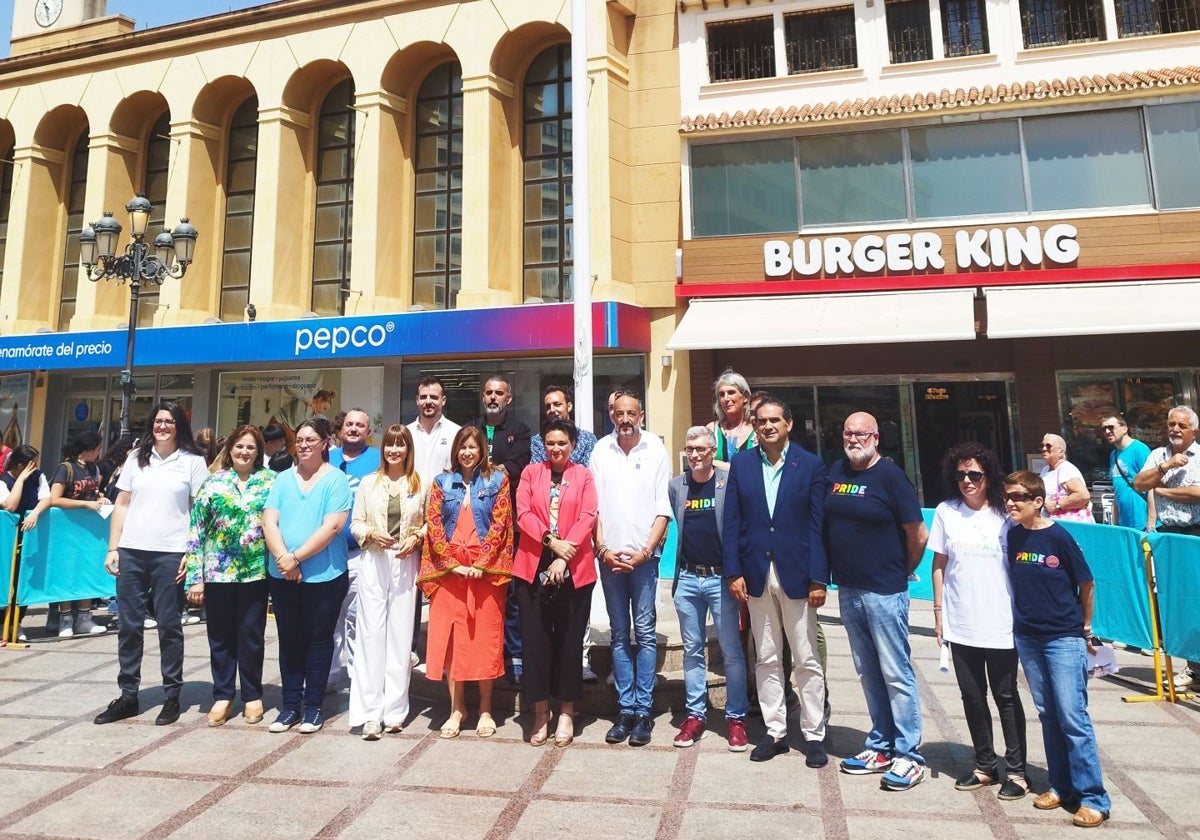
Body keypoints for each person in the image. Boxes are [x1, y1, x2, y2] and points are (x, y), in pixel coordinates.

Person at [825, 411, 929, 790]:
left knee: (895, 672)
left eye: (861, 434)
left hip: (885, 591)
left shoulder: (890, 476)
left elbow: (918, 533)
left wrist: (902, 570)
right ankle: (881, 744)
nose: (854, 439)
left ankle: (909, 754)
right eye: (848, 433)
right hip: (849, 589)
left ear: (876, 437)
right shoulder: (836, 471)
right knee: (868, 671)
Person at [1003, 470, 1111, 828]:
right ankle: (1061, 786)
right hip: (1028, 637)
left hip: (1063, 638)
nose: (1010, 502)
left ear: (1037, 502)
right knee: (1048, 714)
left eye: (1018, 497)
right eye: (1008, 496)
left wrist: (1084, 627)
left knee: (1072, 716)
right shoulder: (1013, 535)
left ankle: (1094, 797)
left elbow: (1087, 581)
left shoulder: (1060, 537)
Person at [723, 401, 827, 764]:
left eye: (774, 420)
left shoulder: (810, 465)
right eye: (761, 421)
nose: (767, 426)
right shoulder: (743, 464)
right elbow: (733, 522)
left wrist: (818, 578)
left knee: (805, 657)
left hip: (797, 574)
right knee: (766, 656)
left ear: (789, 423)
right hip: (754, 573)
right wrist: (733, 571)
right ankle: (775, 731)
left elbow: (818, 525)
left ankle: (814, 735)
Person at [94, 402, 209, 726]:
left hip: (171, 552)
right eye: (158, 421)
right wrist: (112, 548)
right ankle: (128, 695)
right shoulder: (136, 458)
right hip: (132, 550)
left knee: (169, 626)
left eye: (169, 421)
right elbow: (122, 503)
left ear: (178, 426)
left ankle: (172, 696)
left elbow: (198, 511)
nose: (162, 426)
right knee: (129, 626)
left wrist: (192, 552)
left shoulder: (193, 461)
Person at [930, 442, 1027, 801]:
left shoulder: (1005, 513)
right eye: (960, 475)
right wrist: (939, 614)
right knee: (972, 696)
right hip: (961, 619)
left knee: (1006, 696)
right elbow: (939, 564)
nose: (967, 481)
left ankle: (1016, 770)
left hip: (1001, 619)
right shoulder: (946, 511)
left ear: (989, 476)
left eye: (974, 475)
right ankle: (984, 765)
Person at [420, 425, 514, 739]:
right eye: (463, 447)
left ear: (482, 450)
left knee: (484, 640)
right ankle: (456, 707)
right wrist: (453, 564)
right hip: (450, 574)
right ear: (455, 450)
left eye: (473, 447)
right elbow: (433, 525)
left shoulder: (498, 480)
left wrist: (481, 564)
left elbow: (501, 524)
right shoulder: (441, 483)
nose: (467, 452)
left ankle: (486, 707)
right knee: (453, 643)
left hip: (484, 574)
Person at [591, 390, 671, 747]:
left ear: (641, 414)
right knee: (620, 633)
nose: (624, 419)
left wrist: (646, 551)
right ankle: (624, 709)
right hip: (610, 558)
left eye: (631, 413)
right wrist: (603, 549)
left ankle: (644, 711)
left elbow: (662, 508)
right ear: (612, 415)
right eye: (618, 413)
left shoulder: (655, 448)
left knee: (646, 632)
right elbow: (592, 509)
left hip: (644, 559)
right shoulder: (599, 450)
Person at [262, 418, 353, 734]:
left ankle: (313, 707)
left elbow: (333, 526)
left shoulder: (336, 480)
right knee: (288, 640)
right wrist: (283, 560)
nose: (303, 445)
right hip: (283, 574)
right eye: (299, 439)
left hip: (324, 575)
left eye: (310, 439)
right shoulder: (282, 479)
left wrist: (296, 557)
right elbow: (269, 521)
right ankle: (289, 706)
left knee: (318, 640)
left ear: (325, 442)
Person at [183, 425, 275, 727]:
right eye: (239, 447)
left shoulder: (271, 482)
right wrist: (195, 577)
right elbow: (196, 531)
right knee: (220, 637)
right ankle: (222, 694)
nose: (244, 452)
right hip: (217, 573)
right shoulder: (213, 483)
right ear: (230, 450)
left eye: (250, 447)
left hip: (255, 573)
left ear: (258, 451)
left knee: (251, 637)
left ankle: (252, 695)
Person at [514, 418, 598, 748]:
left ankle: (566, 711)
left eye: (562, 442)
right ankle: (539, 712)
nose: (557, 448)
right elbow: (523, 514)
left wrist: (565, 556)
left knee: (568, 642)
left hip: (574, 569)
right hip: (533, 565)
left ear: (573, 445)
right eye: (551, 442)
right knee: (535, 643)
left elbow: (588, 516)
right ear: (543, 445)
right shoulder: (531, 473)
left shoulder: (584, 475)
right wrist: (552, 543)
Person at [669, 426, 750, 753]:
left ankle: (736, 718)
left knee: (731, 650)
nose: (695, 454)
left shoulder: (727, 483)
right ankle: (695, 715)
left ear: (712, 450)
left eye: (702, 448)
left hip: (720, 579)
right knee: (691, 650)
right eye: (690, 448)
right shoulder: (677, 485)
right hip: (688, 579)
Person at [348, 424, 427, 740]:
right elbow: (356, 523)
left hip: (404, 563)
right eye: (390, 445)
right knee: (370, 635)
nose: (395, 450)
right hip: (375, 562)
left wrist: (416, 538)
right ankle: (369, 714)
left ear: (408, 449)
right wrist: (369, 534)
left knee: (399, 635)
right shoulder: (370, 483)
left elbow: (427, 526)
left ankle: (394, 711)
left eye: (401, 445)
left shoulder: (419, 484)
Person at [466, 375, 531, 684]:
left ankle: (514, 654)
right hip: (474, 525)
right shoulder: (472, 428)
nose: (493, 398)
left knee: (512, 592)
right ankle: (483, 652)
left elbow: (516, 467)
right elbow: (462, 462)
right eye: (488, 393)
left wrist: (483, 470)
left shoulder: (519, 431)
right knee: (481, 591)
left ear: (509, 398)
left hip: (509, 525)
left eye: (499, 393)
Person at [1133, 405, 1200, 687]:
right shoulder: (1157, 455)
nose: (1174, 429)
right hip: (1167, 533)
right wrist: (1166, 467)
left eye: (1181, 425)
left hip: (1195, 533)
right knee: (1176, 602)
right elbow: (1139, 483)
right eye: (1171, 424)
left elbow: (1197, 493)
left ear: (1194, 430)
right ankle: (1194, 668)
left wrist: (1160, 489)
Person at [327, 408, 382, 688]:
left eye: (360, 425)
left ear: (368, 432)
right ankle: (330, 676)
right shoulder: (327, 458)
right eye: (349, 424)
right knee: (329, 620)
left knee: (358, 619)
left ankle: (359, 680)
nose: (353, 429)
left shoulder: (378, 459)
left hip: (362, 553)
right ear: (340, 429)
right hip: (325, 555)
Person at [47, 430, 109, 638]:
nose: (100, 453)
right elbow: (54, 499)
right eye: (98, 449)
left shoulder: (94, 468)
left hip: (89, 531)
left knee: (86, 571)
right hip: (66, 529)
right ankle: (65, 618)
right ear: (88, 449)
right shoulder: (66, 468)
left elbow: (94, 493)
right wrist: (85, 503)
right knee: (67, 572)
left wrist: (100, 498)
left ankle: (84, 617)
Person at [0, 445, 53, 641]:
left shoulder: (38, 476)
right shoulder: (3, 481)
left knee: (22, 582)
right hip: (5, 541)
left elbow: (47, 498)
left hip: (28, 539)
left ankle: (16, 624)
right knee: (5, 583)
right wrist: (20, 480)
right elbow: (10, 505)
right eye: (33, 463)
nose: (36, 467)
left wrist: (35, 514)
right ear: (21, 465)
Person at [407, 375, 460, 482]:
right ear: (417, 400)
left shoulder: (456, 433)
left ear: (443, 400)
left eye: (433, 397)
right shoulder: (406, 433)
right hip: (411, 496)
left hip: (444, 497)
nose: (428, 401)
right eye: (423, 397)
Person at [1101, 414, 1150, 529]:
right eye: (1104, 429)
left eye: (1111, 427)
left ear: (1124, 428)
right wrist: (1115, 519)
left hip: (1142, 519)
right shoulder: (1113, 455)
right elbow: (1117, 488)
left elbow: (1152, 486)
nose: (1107, 431)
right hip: (1124, 521)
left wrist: (1151, 522)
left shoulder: (1139, 449)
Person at [530, 385, 597, 466]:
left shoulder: (587, 439)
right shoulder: (537, 442)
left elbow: (589, 471)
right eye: (548, 406)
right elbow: (537, 472)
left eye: (557, 404)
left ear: (569, 406)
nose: (552, 410)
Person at [1039, 434, 1094, 522]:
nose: (1044, 449)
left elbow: (1083, 495)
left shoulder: (1066, 469)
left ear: (1061, 451)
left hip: (1069, 525)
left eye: (1048, 446)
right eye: (1042, 446)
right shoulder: (1045, 469)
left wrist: (1057, 505)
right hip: (1051, 522)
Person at [707, 370, 756, 466]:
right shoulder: (712, 430)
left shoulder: (757, 429)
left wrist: (718, 464)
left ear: (745, 397)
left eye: (731, 392)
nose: (726, 398)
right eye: (721, 394)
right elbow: (703, 462)